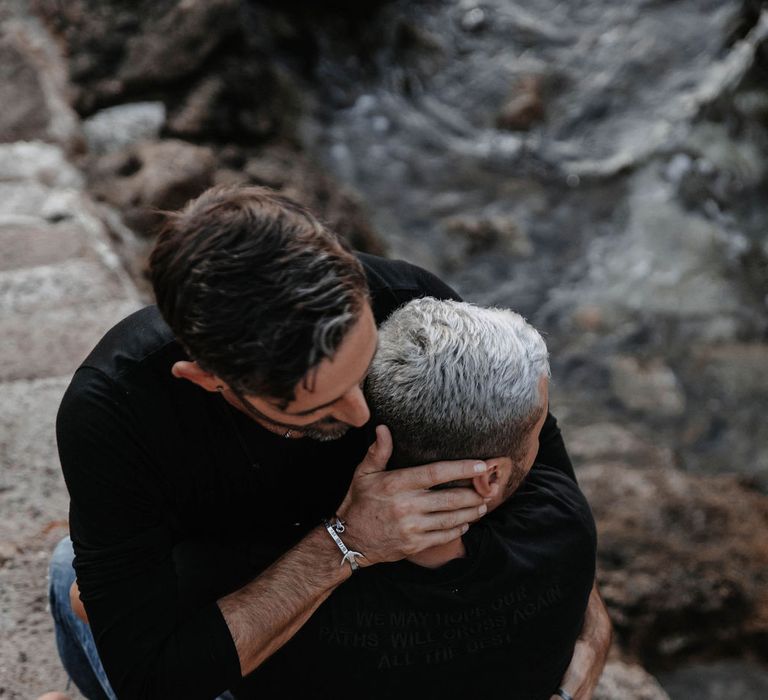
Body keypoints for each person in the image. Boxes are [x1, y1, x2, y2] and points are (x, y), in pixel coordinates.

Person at [50, 186, 611, 699]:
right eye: (315, 409)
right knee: (67, 570)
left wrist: (586, 614)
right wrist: (345, 543)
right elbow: (151, 680)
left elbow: (524, 445)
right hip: (242, 592)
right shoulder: (116, 414)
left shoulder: (409, 300)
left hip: (369, 613)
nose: (359, 411)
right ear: (209, 380)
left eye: (363, 368)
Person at [241, 297, 597, 699]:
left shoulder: (278, 587)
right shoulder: (563, 526)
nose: (543, 443)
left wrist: (345, 540)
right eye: (537, 434)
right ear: (490, 476)